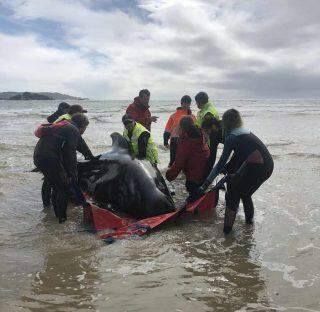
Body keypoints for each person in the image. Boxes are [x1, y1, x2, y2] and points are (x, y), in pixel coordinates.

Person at [199, 109, 274, 234]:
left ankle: (226, 234)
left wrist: (205, 185)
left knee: (232, 194)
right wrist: (230, 169)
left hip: (258, 166)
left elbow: (220, 164)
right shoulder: (242, 131)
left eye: (208, 131)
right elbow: (243, 153)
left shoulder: (231, 137)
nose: (208, 134)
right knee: (244, 193)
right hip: (267, 165)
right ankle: (249, 226)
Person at [34, 113, 90, 223]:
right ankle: (62, 220)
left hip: (39, 158)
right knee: (64, 188)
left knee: (56, 186)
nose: (84, 131)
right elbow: (70, 154)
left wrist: (90, 157)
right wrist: (72, 174)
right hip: (49, 159)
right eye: (85, 128)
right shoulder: (72, 130)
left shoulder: (65, 126)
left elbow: (81, 145)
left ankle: (54, 215)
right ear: (82, 126)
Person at [41, 104, 94, 208]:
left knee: (51, 181)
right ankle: (54, 212)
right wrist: (72, 173)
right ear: (75, 114)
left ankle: (48, 207)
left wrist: (90, 156)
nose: (82, 115)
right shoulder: (69, 124)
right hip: (52, 156)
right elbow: (71, 151)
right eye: (81, 113)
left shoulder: (65, 120)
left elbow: (79, 143)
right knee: (57, 184)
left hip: (46, 153)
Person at [166, 116, 210, 203]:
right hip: (205, 172)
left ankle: (193, 209)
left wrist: (169, 175)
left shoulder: (186, 141)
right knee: (198, 193)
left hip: (193, 175)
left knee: (192, 195)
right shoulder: (201, 134)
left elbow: (179, 163)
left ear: (182, 127)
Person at [163, 95, 196, 167]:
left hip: (188, 142)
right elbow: (167, 129)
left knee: (186, 161)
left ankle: (182, 177)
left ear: (190, 104)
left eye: (187, 103)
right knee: (173, 161)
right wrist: (165, 140)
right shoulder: (173, 116)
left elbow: (195, 131)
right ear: (181, 103)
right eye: (184, 103)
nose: (185, 105)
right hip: (175, 141)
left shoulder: (192, 117)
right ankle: (170, 176)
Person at [195, 92, 220, 169]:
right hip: (209, 139)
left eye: (196, 102)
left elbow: (208, 129)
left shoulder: (208, 112)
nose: (196, 104)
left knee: (207, 162)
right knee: (207, 161)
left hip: (209, 140)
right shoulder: (206, 109)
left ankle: (206, 179)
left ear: (199, 102)